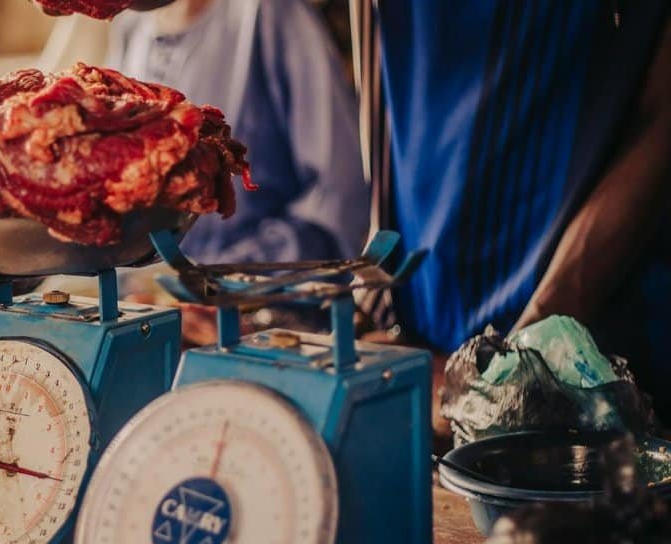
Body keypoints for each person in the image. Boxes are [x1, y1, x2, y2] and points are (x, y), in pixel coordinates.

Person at [354, 1, 671, 419]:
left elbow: (661, 112)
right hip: (423, 326)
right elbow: (385, 79)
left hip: (594, 344)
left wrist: (527, 359)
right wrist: (372, 298)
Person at [107, 0, 369, 264]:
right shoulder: (130, 29)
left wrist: (227, 279)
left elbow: (339, 193)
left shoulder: (267, 13)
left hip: (262, 290)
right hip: (148, 293)